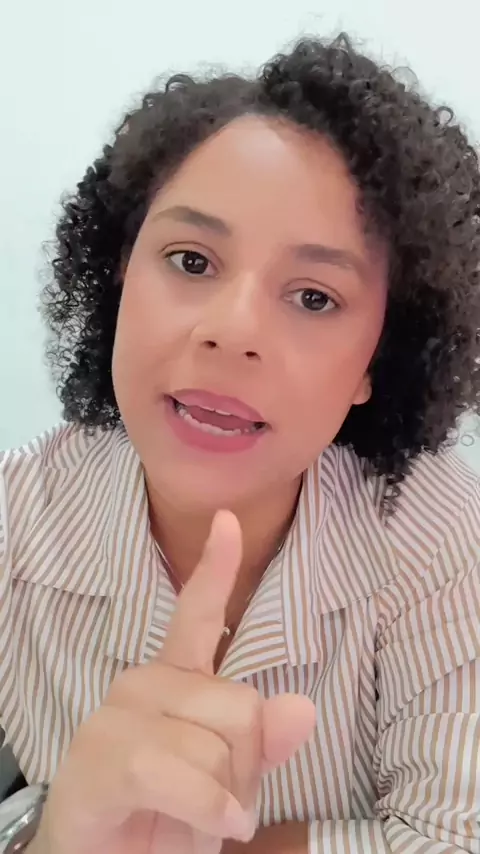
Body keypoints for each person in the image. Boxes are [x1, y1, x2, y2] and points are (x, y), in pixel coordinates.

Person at [0, 31, 479, 854]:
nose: (233, 330)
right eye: (191, 261)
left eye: (315, 297)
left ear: (377, 359)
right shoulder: (16, 525)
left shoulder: (442, 537)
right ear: (119, 275)